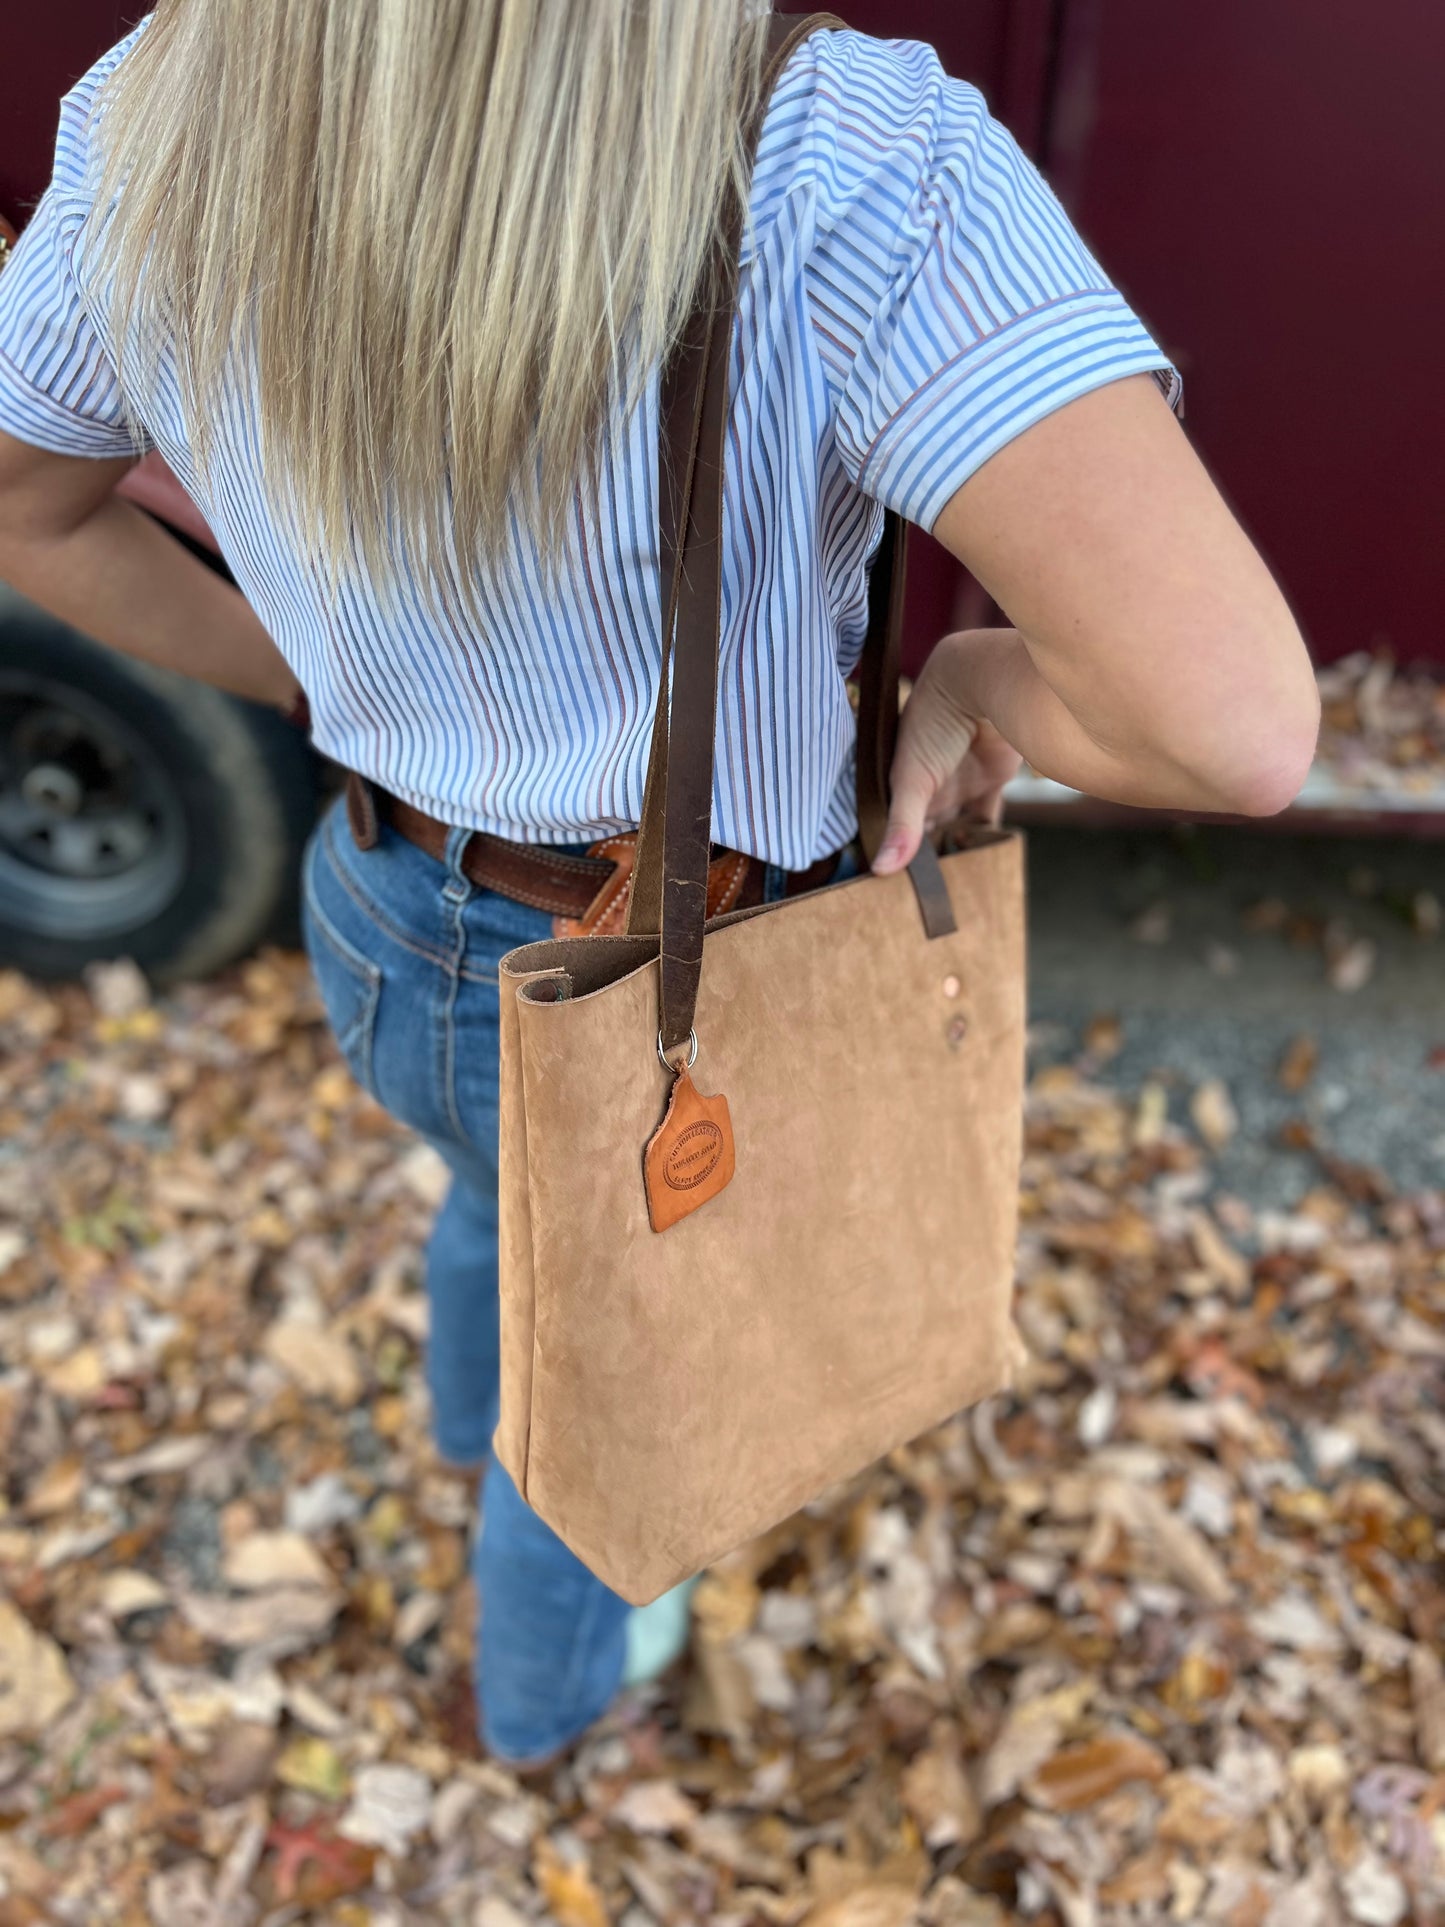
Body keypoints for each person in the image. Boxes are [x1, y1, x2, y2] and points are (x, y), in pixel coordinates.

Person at [0, 2, 1319, 1766]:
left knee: (504, 1199)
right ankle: (550, 1726)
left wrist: (324, 684)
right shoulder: (841, 153)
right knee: (616, 1386)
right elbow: (1228, 728)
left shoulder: (164, 99)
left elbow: (29, 505)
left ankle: (486, 1428)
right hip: (663, 970)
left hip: (380, 905)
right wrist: (981, 682)